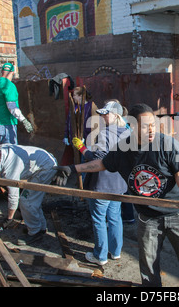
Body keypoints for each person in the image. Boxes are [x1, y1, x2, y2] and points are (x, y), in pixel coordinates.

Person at [55, 103, 179, 287]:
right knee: (149, 271)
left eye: (153, 124)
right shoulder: (124, 149)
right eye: (145, 126)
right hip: (148, 219)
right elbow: (102, 163)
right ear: (133, 126)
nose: (151, 130)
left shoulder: (168, 144)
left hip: (177, 214)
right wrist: (72, 169)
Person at [71, 101, 130, 265]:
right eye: (103, 113)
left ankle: (100, 256)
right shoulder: (128, 133)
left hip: (102, 184)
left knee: (99, 219)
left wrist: (83, 149)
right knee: (115, 218)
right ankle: (116, 251)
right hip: (119, 185)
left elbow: (98, 159)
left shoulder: (106, 133)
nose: (103, 116)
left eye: (106, 113)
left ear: (116, 115)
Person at [0, 144, 57, 246]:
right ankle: (41, 227)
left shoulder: (10, 168)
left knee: (26, 200)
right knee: (33, 200)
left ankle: (35, 232)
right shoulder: (3, 150)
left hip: (45, 168)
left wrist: (9, 218)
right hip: (43, 162)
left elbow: (13, 196)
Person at [0, 63, 33, 144]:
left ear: (2, 71)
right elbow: (12, 106)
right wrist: (24, 120)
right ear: (12, 73)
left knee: (3, 148)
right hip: (7, 123)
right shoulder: (9, 85)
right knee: (10, 150)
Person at [61, 86, 98, 165]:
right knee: (78, 163)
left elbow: (96, 126)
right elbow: (69, 122)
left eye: (74, 95)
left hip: (87, 143)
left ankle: (84, 177)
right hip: (76, 141)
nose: (73, 97)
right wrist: (66, 136)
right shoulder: (74, 107)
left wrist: (89, 139)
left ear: (80, 96)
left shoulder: (91, 106)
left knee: (85, 163)